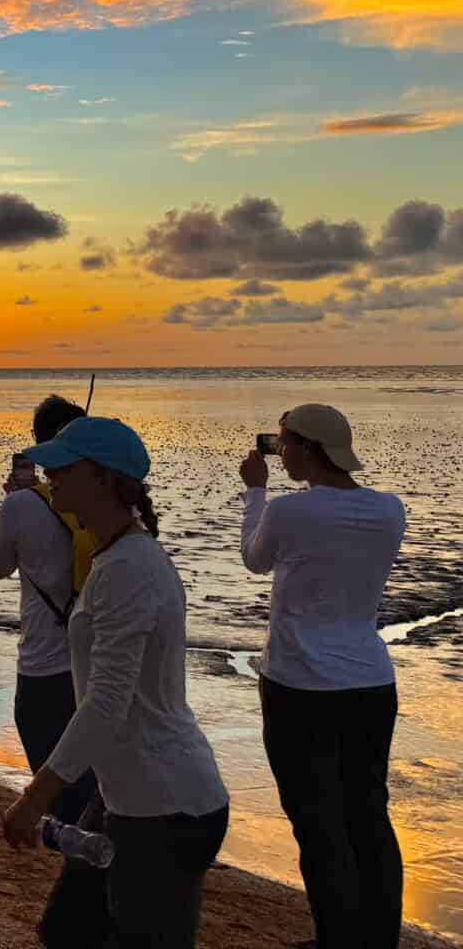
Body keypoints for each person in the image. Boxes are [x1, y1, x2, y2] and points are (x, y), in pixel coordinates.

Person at [1, 416, 229, 949]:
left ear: (103, 479)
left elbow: (106, 704)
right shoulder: (114, 556)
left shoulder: (131, 567)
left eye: (64, 466)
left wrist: (34, 799)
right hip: (125, 795)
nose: (50, 474)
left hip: (166, 807)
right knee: (67, 929)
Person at [241, 404, 406, 949]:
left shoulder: (291, 512)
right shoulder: (390, 510)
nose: (279, 449)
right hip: (370, 680)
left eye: (285, 441)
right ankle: (377, 938)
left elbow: (254, 559)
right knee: (367, 813)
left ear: (309, 449)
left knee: (317, 822)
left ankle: (338, 938)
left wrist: (255, 493)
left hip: (300, 683)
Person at [0, 395, 103, 947]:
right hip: (95, 668)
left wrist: (16, 499)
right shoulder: (102, 504)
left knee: (62, 802)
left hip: (42, 667)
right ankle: (87, 907)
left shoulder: (24, 504)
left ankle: (76, 915)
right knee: (92, 797)